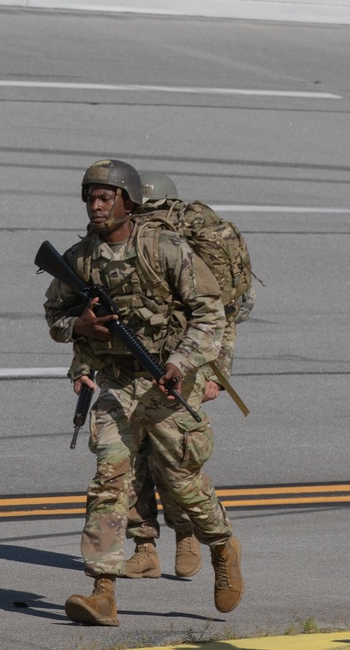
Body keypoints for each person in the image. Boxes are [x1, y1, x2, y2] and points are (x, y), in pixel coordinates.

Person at [42, 159, 243, 626]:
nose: (96, 205)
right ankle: (103, 590)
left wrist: (180, 363)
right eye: (90, 197)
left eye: (105, 197)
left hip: (168, 380)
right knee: (110, 479)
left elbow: (210, 314)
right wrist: (80, 326)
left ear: (127, 202)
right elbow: (54, 315)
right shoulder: (78, 258)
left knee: (182, 483)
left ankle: (220, 545)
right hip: (117, 383)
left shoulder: (165, 249)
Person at [122, 171, 248, 582]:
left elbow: (224, 317)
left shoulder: (187, 247)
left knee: (172, 463)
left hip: (182, 368)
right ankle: (143, 547)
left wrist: (216, 373)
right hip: (133, 368)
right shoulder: (128, 244)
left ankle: (187, 534)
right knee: (127, 463)